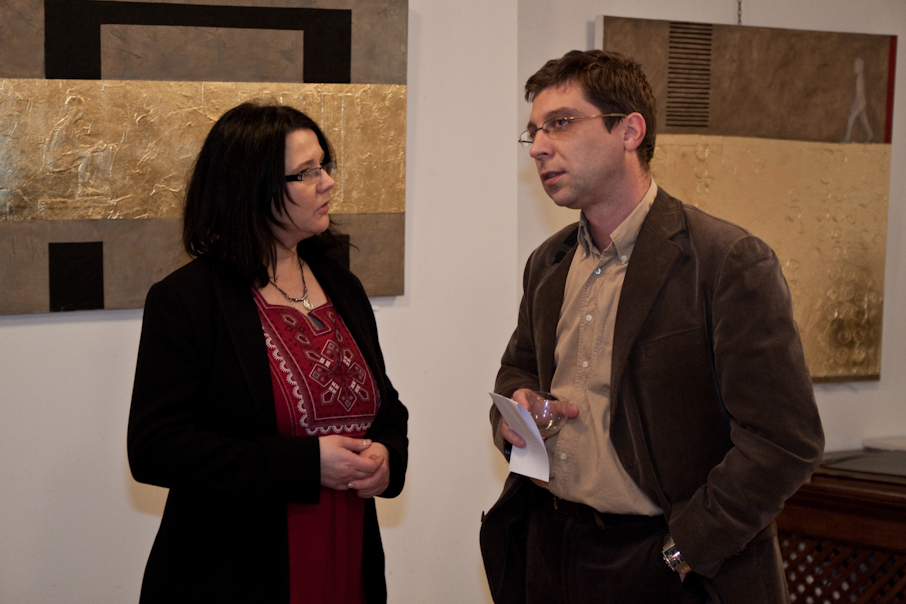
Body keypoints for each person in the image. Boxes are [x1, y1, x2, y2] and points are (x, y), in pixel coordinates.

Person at [480, 50, 824, 604]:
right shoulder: (548, 263)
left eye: (561, 123)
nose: (539, 146)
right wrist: (518, 411)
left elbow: (785, 442)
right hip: (553, 548)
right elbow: (517, 367)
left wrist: (681, 553)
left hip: (669, 564)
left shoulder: (727, 260)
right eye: (534, 131)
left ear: (629, 131)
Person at [128, 101, 408, 604]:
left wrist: (387, 456)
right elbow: (156, 449)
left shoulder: (342, 286)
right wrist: (305, 465)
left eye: (325, 166)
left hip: (347, 556)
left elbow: (386, 409)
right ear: (250, 190)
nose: (327, 182)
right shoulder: (188, 300)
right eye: (306, 172)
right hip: (236, 571)